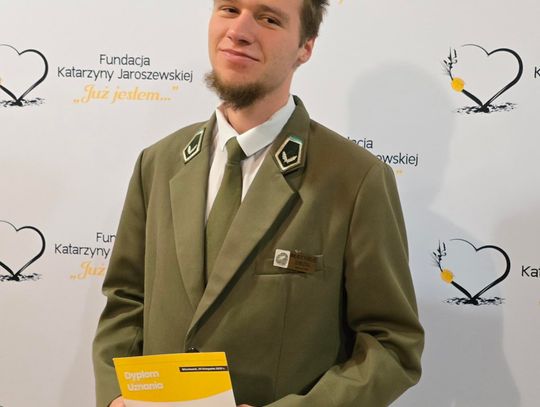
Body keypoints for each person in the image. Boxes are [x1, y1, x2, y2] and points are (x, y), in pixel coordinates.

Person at [92, 1, 424, 406]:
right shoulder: (158, 163)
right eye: (229, 9)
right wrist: (116, 395)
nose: (239, 32)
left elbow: (392, 345)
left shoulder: (355, 180)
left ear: (305, 47)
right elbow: (126, 301)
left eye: (268, 18)